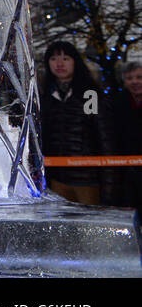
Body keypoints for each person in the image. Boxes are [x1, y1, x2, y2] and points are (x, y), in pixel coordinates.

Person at [39, 40, 114, 206]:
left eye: (66, 58)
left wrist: (109, 182)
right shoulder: (45, 96)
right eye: (53, 59)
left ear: (75, 62)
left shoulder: (89, 94)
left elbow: (103, 136)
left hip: (88, 180)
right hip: (57, 180)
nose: (59, 64)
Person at [106, 60, 142, 211]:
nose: (135, 82)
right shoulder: (115, 102)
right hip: (125, 168)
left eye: (139, 77)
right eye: (129, 78)